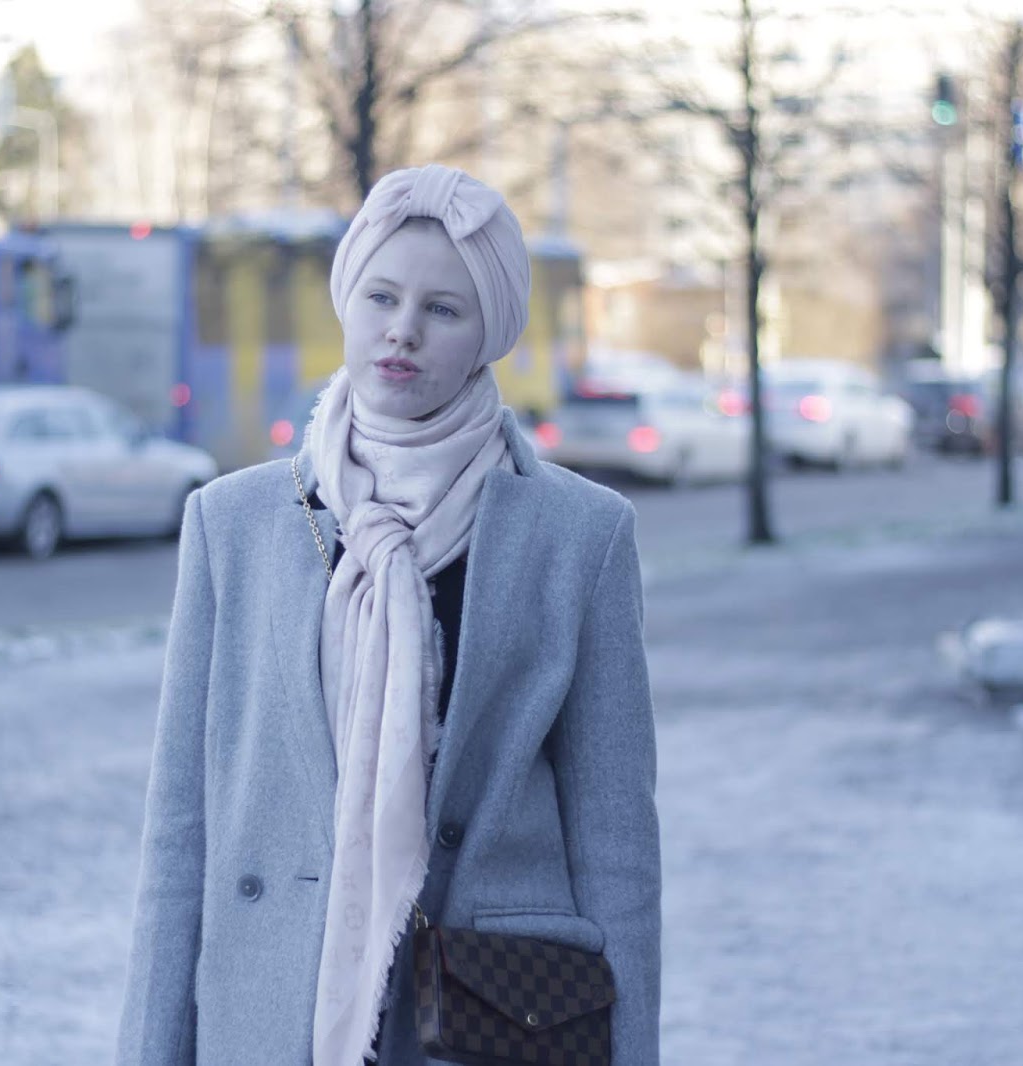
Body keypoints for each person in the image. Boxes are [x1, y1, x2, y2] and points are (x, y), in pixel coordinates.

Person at [115, 164, 661, 1066]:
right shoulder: (232, 523)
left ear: (490, 333)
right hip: (270, 1005)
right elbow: (181, 827)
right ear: (347, 300)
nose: (402, 330)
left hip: (497, 1008)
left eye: (443, 309)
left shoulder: (580, 535)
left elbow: (616, 839)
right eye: (382, 296)